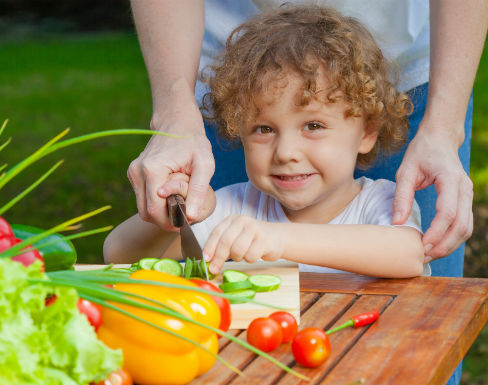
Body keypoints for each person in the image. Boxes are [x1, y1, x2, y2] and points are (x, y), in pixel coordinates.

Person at [127, 0, 487, 280]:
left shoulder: (380, 202)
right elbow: (119, 255)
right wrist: (169, 214)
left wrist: (279, 240)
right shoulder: (232, 206)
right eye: (264, 129)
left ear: (367, 131)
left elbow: (408, 254)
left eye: (313, 125)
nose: (286, 152)